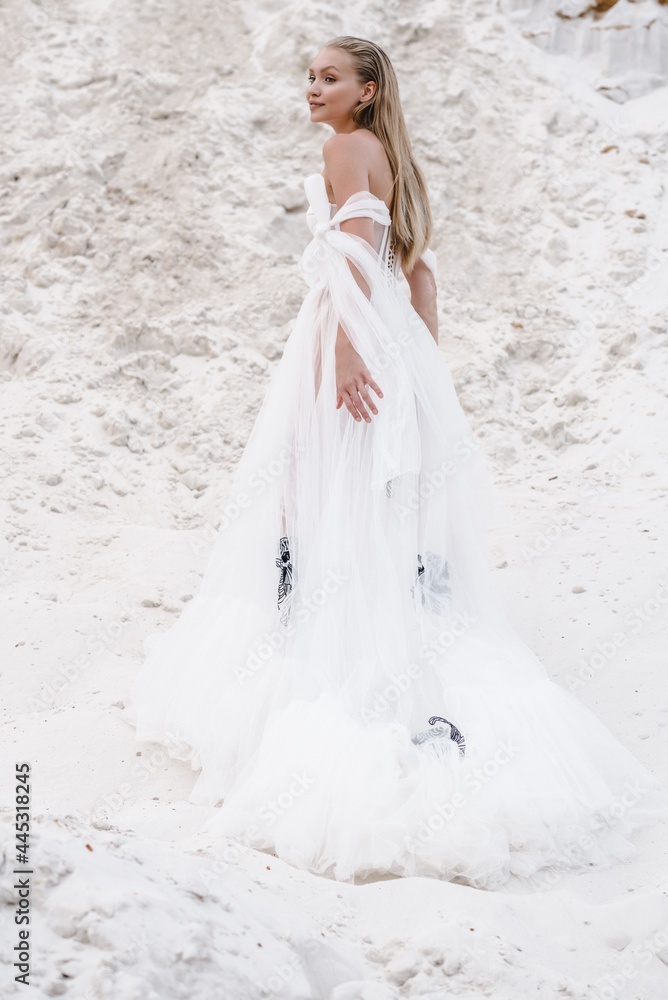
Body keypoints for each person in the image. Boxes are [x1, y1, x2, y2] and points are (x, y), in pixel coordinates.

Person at [124, 35, 668, 889]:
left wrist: (346, 354)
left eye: (330, 77)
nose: (313, 88)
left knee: (314, 496)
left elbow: (349, 260)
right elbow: (420, 281)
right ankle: (381, 634)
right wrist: (418, 367)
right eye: (310, 76)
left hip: (350, 342)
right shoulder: (390, 155)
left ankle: (327, 650)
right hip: (390, 346)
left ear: (367, 91)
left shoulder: (347, 147)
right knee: (369, 510)